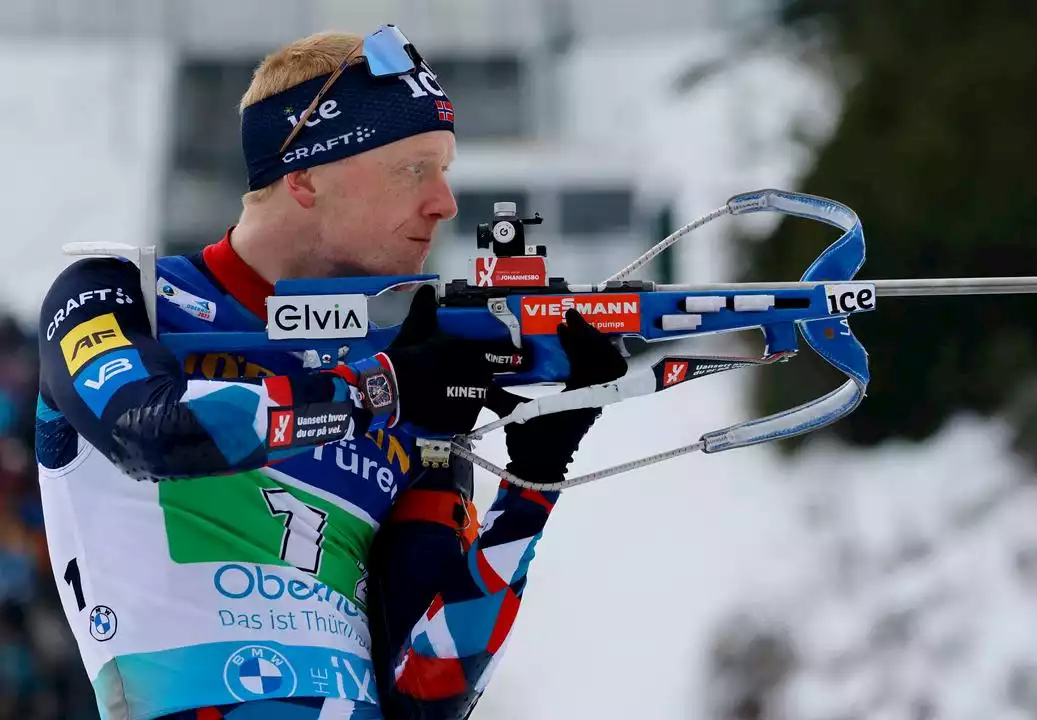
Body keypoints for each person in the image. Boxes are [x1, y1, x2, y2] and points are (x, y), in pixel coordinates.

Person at [33, 24, 626, 720]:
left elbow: (426, 693)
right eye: (413, 169)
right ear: (306, 176)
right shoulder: (123, 295)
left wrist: (536, 479)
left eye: (445, 169)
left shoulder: (409, 385)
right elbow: (148, 430)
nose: (444, 202)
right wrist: (381, 392)